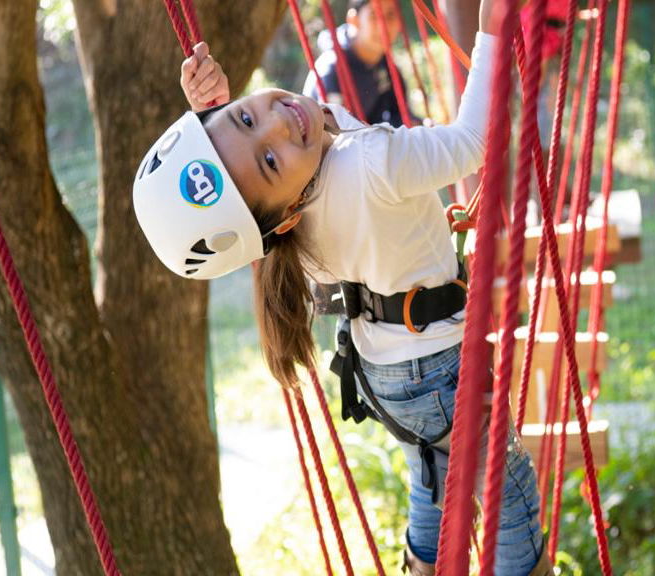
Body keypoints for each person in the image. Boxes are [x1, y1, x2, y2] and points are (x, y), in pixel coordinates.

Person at [131, 1, 551, 574]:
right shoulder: (371, 162)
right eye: (271, 160)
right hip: (439, 368)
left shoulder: (287, 226)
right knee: (507, 488)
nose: (280, 123)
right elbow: (472, 142)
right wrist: (493, 30)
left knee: (431, 476)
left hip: (384, 372)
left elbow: (294, 149)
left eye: (245, 120)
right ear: (278, 216)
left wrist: (219, 112)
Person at [303, 0, 418, 127]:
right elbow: (331, 133)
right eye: (374, 15)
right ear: (354, 20)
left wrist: (420, 125)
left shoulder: (386, 65)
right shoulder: (332, 68)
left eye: (390, 15)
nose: (383, 25)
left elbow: (401, 115)